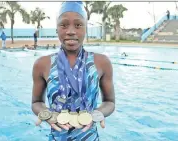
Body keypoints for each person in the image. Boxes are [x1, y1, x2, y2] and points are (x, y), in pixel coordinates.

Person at [31, 1, 115, 141]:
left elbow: (110, 102)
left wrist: (98, 113)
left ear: (85, 29)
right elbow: (36, 102)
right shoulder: (42, 64)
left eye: (78, 25)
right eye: (63, 25)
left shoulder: (101, 62)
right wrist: (46, 114)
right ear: (57, 29)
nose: (70, 31)